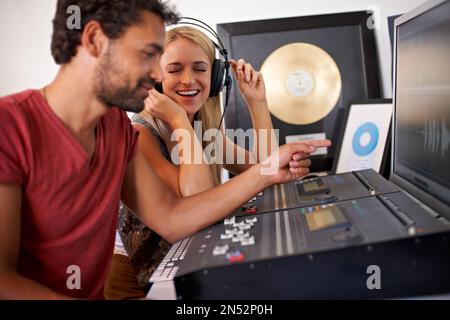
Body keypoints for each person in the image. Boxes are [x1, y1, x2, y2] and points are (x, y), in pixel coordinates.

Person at [0, 0, 331, 300]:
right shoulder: (9, 126)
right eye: (148, 54)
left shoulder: (115, 129)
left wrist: (267, 169)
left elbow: (173, 218)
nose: (159, 75)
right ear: (94, 40)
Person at [104, 26, 278, 299]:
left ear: (217, 77)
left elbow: (267, 172)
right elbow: (198, 205)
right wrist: (178, 121)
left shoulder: (205, 131)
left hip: (177, 267)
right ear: (155, 78)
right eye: (174, 70)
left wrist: (257, 102)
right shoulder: (139, 134)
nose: (189, 79)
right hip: (130, 277)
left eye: (200, 68)